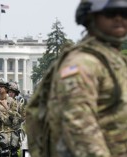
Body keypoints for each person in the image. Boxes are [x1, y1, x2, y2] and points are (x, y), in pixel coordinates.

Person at [26, 0, 127, 157]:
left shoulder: (114, 61)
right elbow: (79, 123)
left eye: (125, 13)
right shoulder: (83, 63)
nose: (119, 18)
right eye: (110, 13)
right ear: (90, 18)